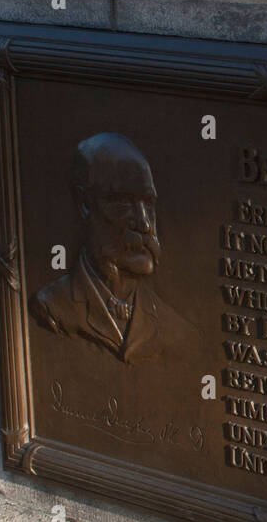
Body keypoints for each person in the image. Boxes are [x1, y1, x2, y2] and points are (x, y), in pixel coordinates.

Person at [31, 132, 200, 364]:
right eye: (123, 202)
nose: (144, 223)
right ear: (85, 204)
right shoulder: (50, 307)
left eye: (148, 203)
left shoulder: (176, 330)